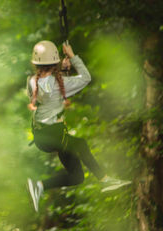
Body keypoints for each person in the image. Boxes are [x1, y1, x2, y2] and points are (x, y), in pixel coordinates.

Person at [26, 40, 130, 212]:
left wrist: (64, 72)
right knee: (81, 144)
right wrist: (72, 57)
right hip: (53, 135)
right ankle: (104, 179)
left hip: (43, 137)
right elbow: (85, 78)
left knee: (76, 177)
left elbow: (52, 93)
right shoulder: (60, 84)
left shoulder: (31, 81)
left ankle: (40, 186)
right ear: (55, 62)